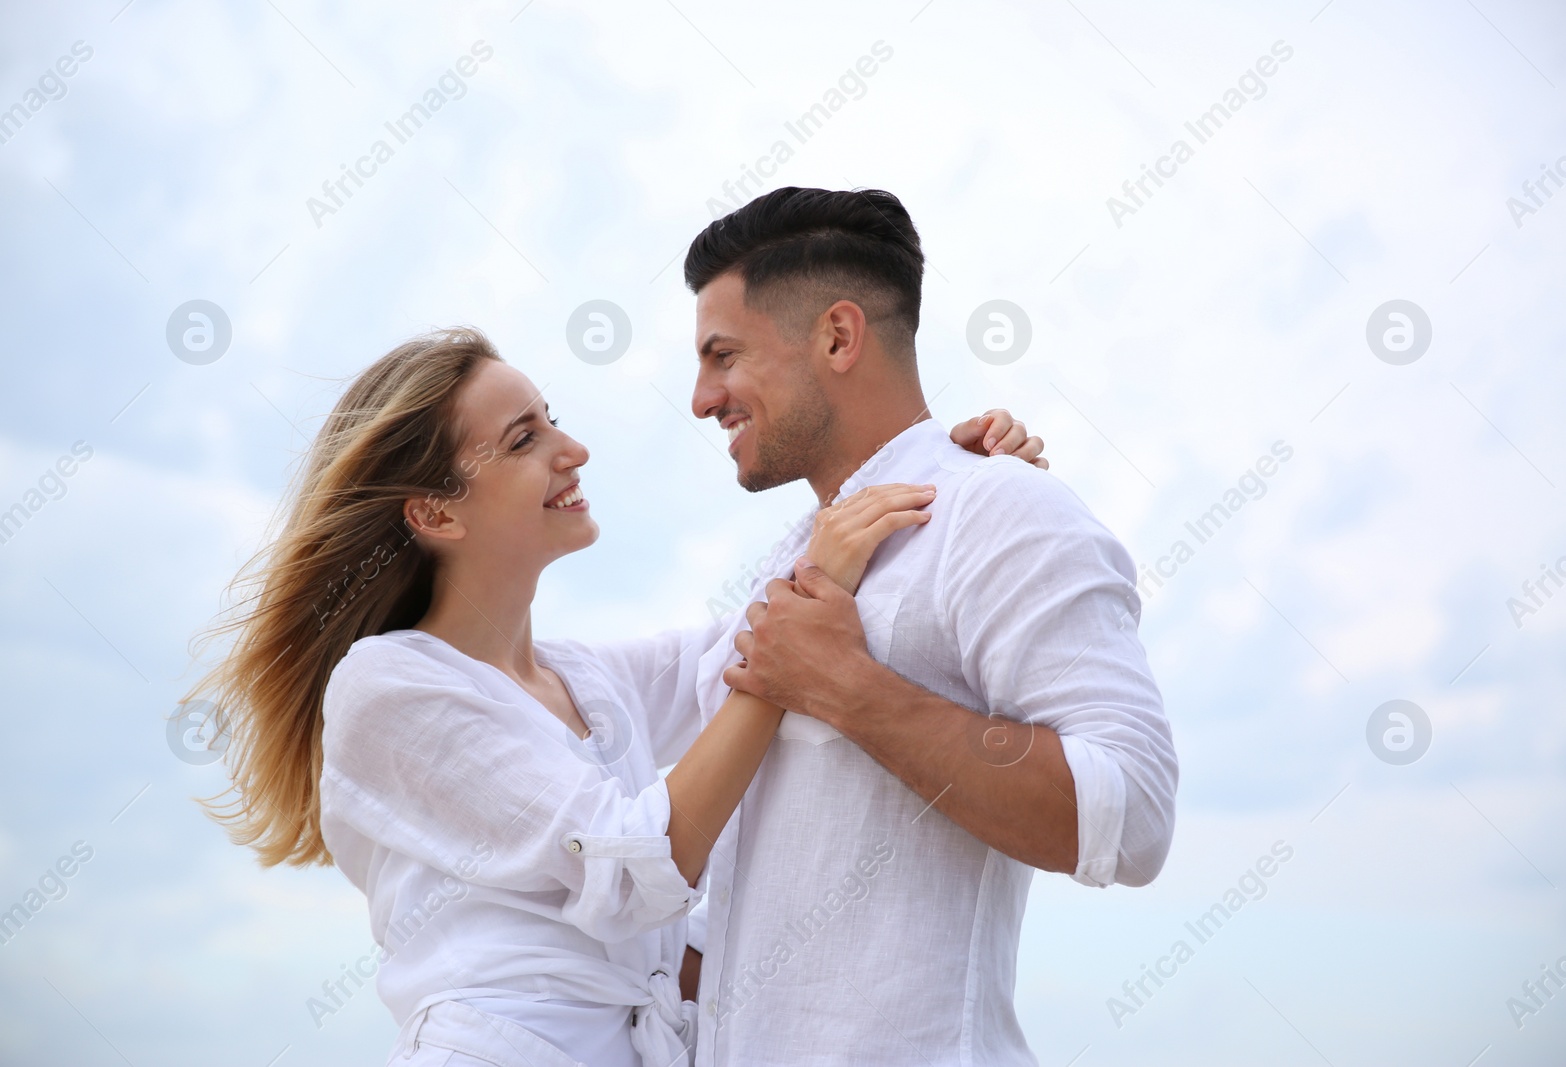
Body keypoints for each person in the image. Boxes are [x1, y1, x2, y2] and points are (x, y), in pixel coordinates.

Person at [183, 327, 1047, 1067]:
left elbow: (750, 637)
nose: (572, 449)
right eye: (523, 440)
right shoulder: (388, 687)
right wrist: (804, 621)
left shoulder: (587, 680)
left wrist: (946, 477)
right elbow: (636, 864)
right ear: (437, 515)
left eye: (552, 419)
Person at [629, 187, 1176, 1065]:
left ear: (839, 337)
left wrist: (849, 689)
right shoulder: (789, 562)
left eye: (722, 355)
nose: (701, 398)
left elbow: (1136, 813)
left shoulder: (1000, 506)